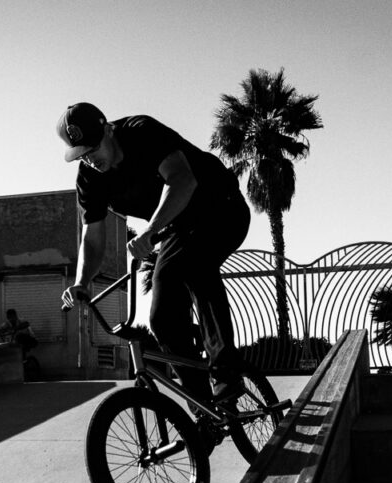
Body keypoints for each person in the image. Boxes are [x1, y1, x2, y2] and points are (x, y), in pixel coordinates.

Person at [57, 102, 249, 408]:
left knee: (196, 265)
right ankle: (203, 408)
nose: (90, 160)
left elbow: (182, 180)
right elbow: (92, 239)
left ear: (109, 131)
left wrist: (150, 232)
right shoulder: (90, 179)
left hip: (221, 207)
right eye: (82, 155)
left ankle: (226, 369)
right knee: (162, 319)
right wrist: (82, 282)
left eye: (93, 149)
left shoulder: (141, 132)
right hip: (178, 229)